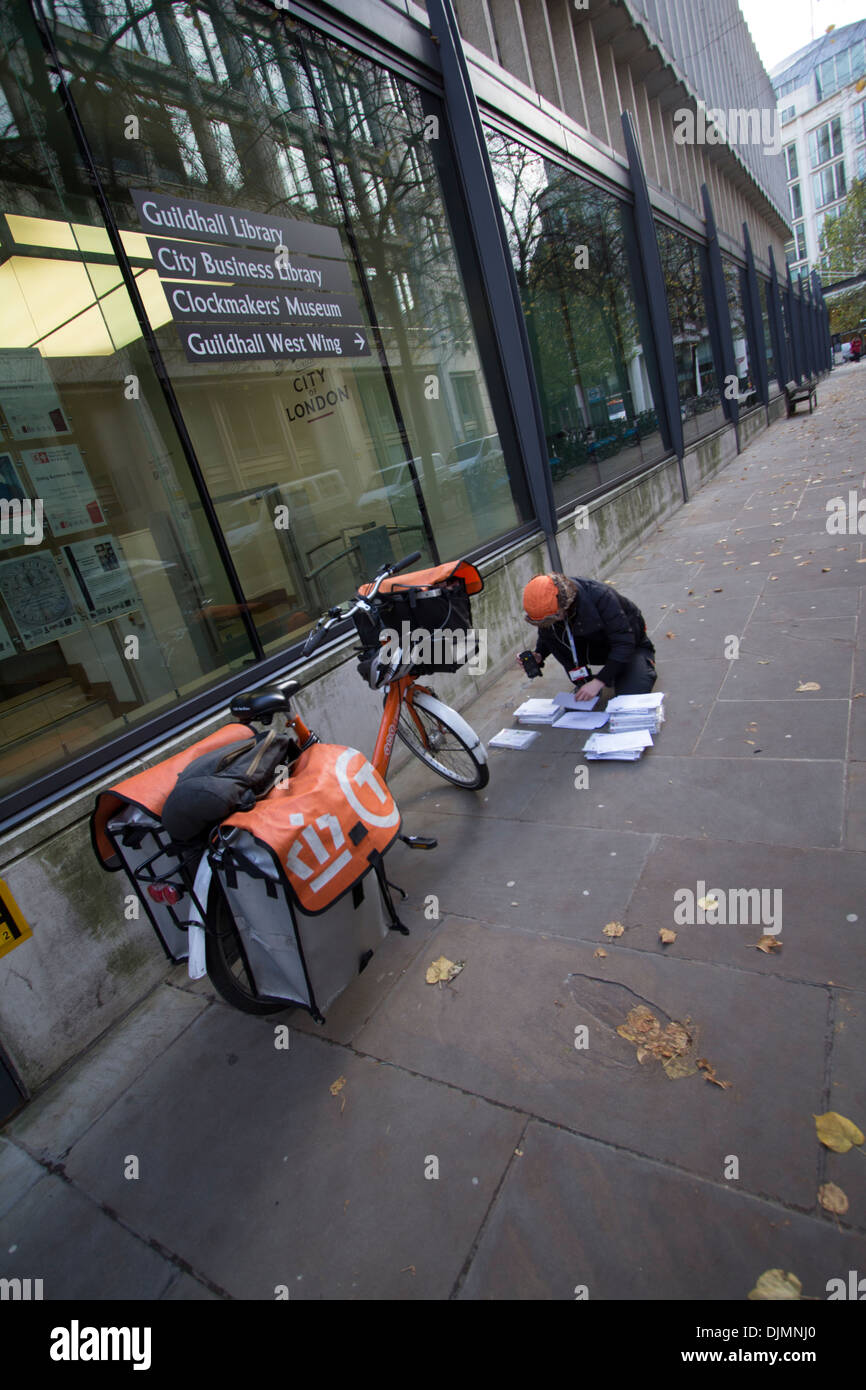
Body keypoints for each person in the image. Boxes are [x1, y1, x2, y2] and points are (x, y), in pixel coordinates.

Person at [519, 572, 656, 701]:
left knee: (631, 696)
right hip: (590, 647)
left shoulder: (601, 596)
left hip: (629, 646)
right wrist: (539, 654)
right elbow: (548, 635)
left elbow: (624, 643)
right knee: (556, 638)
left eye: (553, 618)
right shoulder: (550, 612)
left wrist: (599, 681)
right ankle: (586, 680)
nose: (550, 624)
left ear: (566, 604)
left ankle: (642, 663)